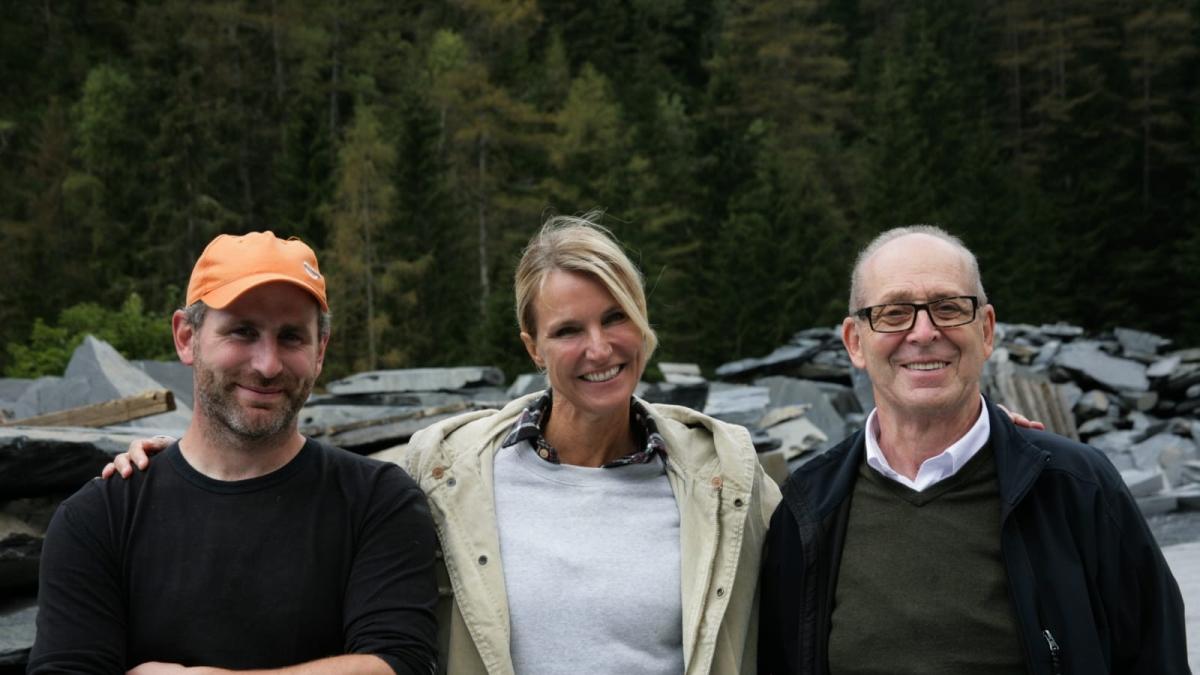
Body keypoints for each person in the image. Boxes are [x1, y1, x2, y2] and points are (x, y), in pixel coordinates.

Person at [108, 214, 782, 674]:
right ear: (532, 345)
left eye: (616, 319)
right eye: (568, 329)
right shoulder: (450, 465)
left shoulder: (724, 471)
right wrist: (181, 464)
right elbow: (294, 473)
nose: (599, 348)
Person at [757, 225, 1189, 674]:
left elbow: (1156, 658)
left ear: (985, 331)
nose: (923, 332)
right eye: (893, 312)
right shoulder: (808, 510)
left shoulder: (1075, 487)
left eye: (947, 307)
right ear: (855, 342)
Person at [31, 232, 439, 674]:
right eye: (243, 332)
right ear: (186, 337)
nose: (268, 365)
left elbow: (401, 664)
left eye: (291, 338)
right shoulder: (101, 516)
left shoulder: (377, 502)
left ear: (320, 350)